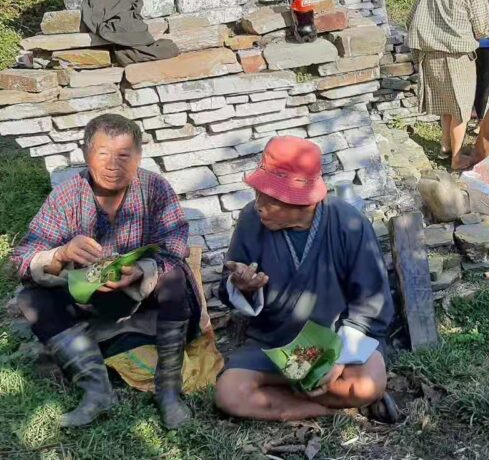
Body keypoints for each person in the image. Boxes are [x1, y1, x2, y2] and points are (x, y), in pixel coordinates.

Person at [11, 113, 199, 430]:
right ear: (86, 154)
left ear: (139, 157)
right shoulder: (66, 196)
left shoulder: (154, 188)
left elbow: (176, 241)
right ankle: (97, 391)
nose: (113, 165)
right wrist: (60, 254)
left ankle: (168, 391)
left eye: (124, 155)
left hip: (149, 305)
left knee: (173, 274)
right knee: (31, 298)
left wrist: (141, 271)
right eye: (103, 154)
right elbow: (22, 259)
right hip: (93, 309)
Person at [214, 136, 397, 423]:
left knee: (368, 383)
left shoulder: (348, 224)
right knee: (230, 393)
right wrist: (240, 286)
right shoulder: (252, 218)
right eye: (258, 194)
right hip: (275, 342)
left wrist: (337, 361)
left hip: (335, 340)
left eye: (270, 198)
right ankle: (330, 407)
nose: (259, 205)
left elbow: (371, 305)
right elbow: (229, 284)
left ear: (303, 201)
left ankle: (328, 391)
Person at [407, 0, 489, 170]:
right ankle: (456, 159)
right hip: (457, 57)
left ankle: (445, 146)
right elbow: (483, 29)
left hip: (429, 54)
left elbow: (411, 18)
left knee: (445, 103)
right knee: (461, 110)